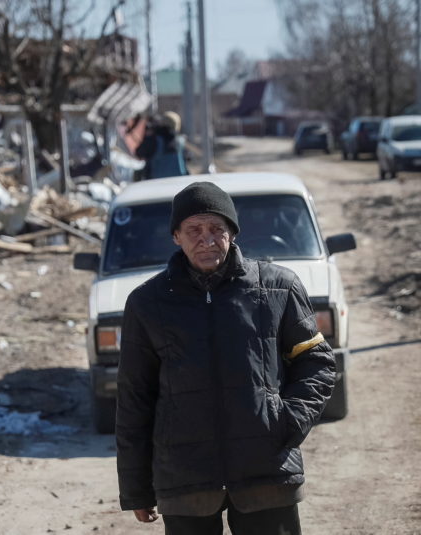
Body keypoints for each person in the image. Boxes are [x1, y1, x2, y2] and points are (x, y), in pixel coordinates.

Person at [115, 181, 336, 534]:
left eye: (216, 228)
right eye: (194, 230)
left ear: (232, 233)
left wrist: (285, 421)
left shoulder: (278, 287)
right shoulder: (147, 303)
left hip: (266, 472)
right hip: (185, 476)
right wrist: (136, 488)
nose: (206, 239)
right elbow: (134, 397)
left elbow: (317, 363)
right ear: (176, 236)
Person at [135, 112, 188, 180]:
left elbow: (139, 153)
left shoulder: (154, 139)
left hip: (156, 181)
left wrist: (146, 136)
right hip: (178, 180)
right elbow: (188, 158)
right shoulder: (180, 140)